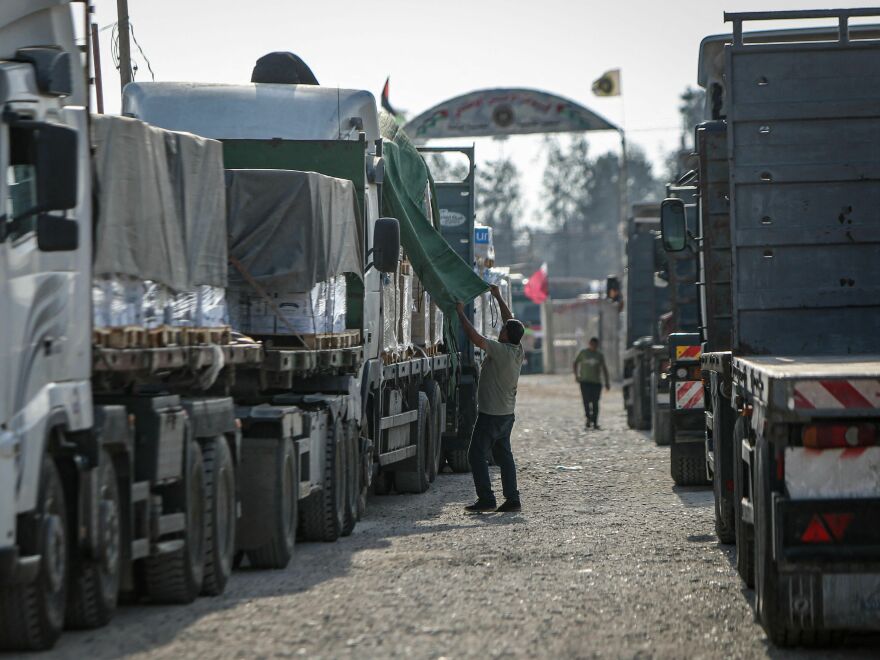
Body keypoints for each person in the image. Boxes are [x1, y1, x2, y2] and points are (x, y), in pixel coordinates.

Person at [456, 285, 525, 513]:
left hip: (491, 415)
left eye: (503, 329)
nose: (501, 330)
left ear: (506, 335)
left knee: (475, 454)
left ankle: (486, 498)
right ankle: (512, 499)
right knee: (504, 456)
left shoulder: (500, 350)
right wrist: (497, 296)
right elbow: (510, 321)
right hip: (506, 414)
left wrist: (461, 313)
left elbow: (476, 339)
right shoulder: (517, 350)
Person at [573, 337, 610, 429]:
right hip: (585, 382)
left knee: (595, 402)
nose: (593, 346)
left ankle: (595, 421)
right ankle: (588, 418)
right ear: (589, 344)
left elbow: (604, 368)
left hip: (596, 383)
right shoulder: (583, 353)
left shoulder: (599, 355)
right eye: (592, 344)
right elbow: (575, 363)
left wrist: (607, 382)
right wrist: (576, 375)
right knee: (586, 401)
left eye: (595, 345)